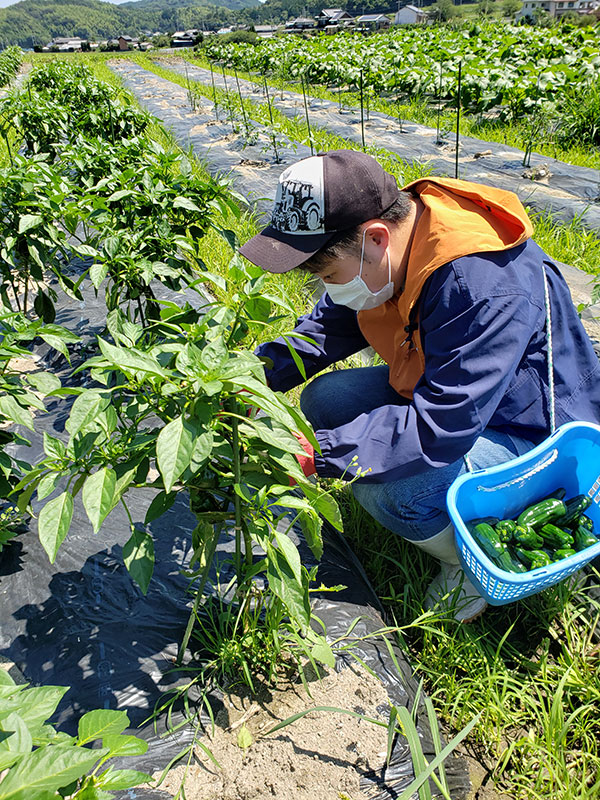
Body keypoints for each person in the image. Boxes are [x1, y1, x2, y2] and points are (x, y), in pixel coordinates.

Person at [239, 149, 600, 622]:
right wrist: (245, 376)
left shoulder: (481, 283)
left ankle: (474, 561)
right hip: (456, 397)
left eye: (328, 274)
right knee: (326, 399)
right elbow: (324, 332)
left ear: (374, 238)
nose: (329, 289)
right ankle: (451, 521)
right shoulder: (391, 250)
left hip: (535, 431)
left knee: (385, 488)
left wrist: (316, 454)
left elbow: (439, 429)